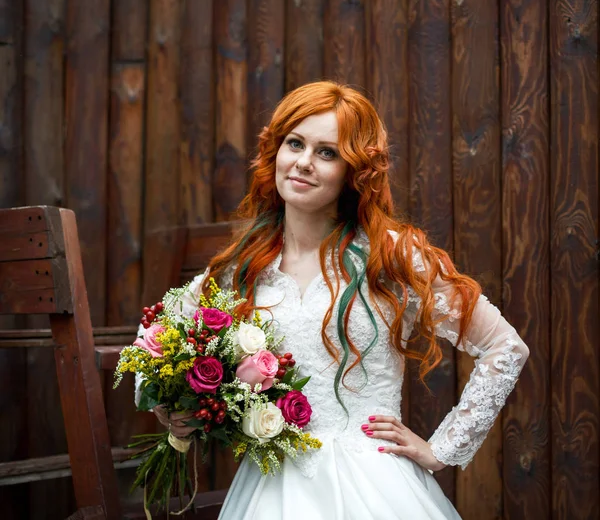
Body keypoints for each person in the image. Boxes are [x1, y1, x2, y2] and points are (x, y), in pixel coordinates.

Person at [143, 81, 529, 519]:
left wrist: (443, 448)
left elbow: (505, 347)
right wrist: (172, 409)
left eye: (327, 153)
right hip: (273, 486)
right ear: (276, 152)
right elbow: (154, 342)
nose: (304, 163)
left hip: (375, 485)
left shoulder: (394, 257)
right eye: (295, 144)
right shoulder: (245, 266)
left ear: (354, 171)